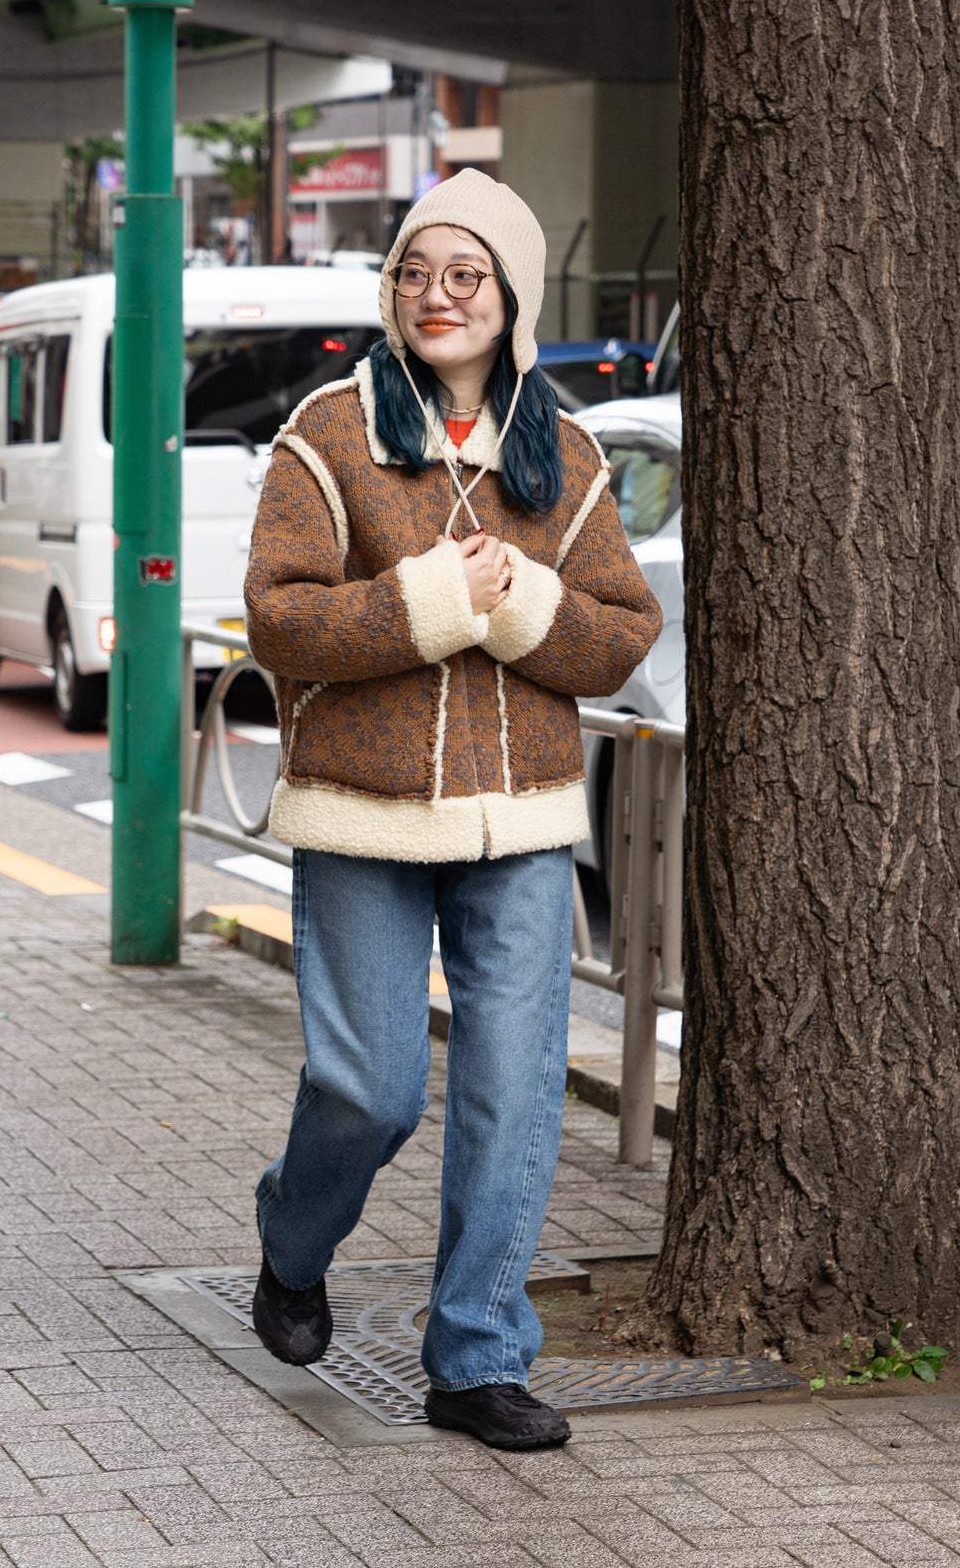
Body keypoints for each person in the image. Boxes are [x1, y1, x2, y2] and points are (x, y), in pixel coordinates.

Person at [243, 169, 663, 1452]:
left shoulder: (568, 453)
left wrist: (521, 602)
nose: (438, 296)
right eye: (417, 272)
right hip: (363, 818)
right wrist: (431, 598)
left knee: (514, 1091)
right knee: (369, 1091)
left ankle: (475, 1356)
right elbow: (279, 620)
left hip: (521, 823)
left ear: (511, 295)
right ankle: (291, 1240)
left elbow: (621, 636)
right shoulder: (327, 437)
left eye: (465, 274)